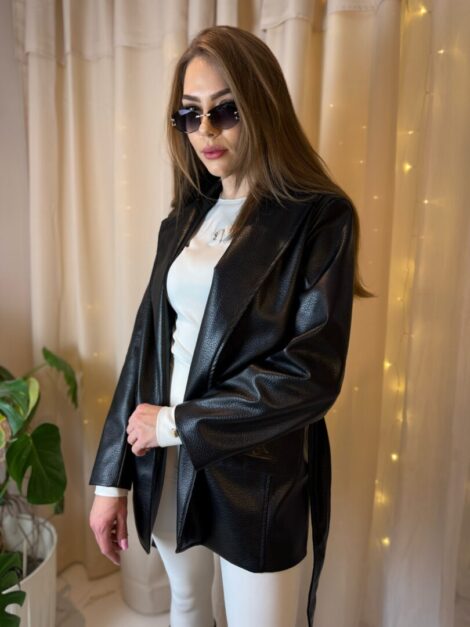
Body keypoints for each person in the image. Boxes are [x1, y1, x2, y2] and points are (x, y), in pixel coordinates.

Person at [89, 24, 373, 627]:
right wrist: (111, 481)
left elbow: (311, 375)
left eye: (225, 111)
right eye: (189, 115)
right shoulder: (183, 219)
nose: (206, 131)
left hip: (257, 471)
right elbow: (147, 347)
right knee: (187, 605)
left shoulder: (319, 219)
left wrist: (175, 424)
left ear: (262, 106)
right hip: (165, 460)